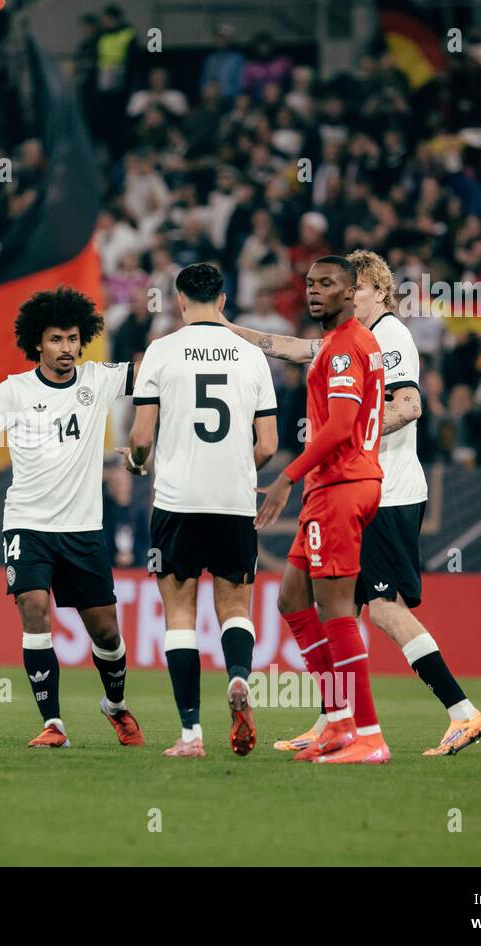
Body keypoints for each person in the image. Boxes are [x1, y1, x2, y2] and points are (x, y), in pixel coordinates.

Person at [225, 249, 481, 756]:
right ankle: (335, 719)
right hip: (358, 483)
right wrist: (224, 329)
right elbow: (295, 347)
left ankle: (458, 712)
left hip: (383, 491)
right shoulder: (346, 340)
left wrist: (358, 437)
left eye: (357, 287)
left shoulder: (389, 337)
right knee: (306, 599)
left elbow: (409, 405)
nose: (344, 294)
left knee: (382, 611)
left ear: (373, 292)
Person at [0, 287, 145, 749]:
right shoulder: (16, 390)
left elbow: (152, 375)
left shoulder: (100, 379)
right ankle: (53, 724)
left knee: (106, 631)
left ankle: (114, 704)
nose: (67, 348)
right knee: (34, 608)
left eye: (73, 338)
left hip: (82, 529)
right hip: (27, 523)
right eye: (56, 339)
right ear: (38, 344)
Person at [125, 263, 278, 758]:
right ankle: (237, 677)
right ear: (225, 300)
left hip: (177, 502)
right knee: (235, 607)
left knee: (180, 615)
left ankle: (191, 734)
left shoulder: (161, 352)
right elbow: (270, 444)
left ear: (179, 301)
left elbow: (142, 437)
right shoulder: (252, 356)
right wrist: (238, 464)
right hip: (234, 502)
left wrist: (136, 462)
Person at [254, 257, 389, 764]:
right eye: (310, 284)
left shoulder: (343, 348)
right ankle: (336, 721)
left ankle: (368, 735)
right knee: (292, 598)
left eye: (327, 284)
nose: (315, 292)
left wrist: (286, 478)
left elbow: (337, 426)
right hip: (334, 485)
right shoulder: (346, 343)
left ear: (352, 293)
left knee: (336, 609)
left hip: (341, 483)